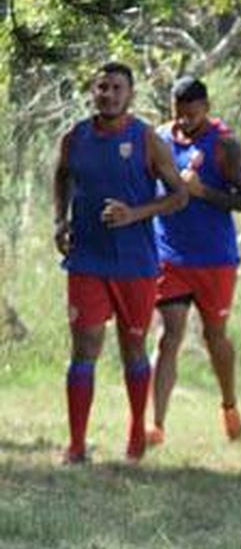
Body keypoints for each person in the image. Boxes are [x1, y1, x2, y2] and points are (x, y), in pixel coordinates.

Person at [53, 62, 188, 462]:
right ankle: (76, 445)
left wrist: (136, 213)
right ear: (92, 92)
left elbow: (179, 195)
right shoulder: (75, 137)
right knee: (85, 347)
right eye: (101, 87)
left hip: (135, 264)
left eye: (116, 88)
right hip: (87, 261)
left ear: (130, 94)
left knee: (133, 346)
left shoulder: (145, 139)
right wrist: (60, 220)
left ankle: (135, 433)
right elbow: (61, 175)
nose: (107, 94)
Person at [147, 76, 241, 448]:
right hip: (170, 255)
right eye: (178, 115)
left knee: (215, 337)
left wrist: (203, 192)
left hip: (214, 259)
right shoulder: (159, 138)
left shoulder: (225, 145)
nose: (184, 122)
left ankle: (229, 404)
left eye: (191, 115)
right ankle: (156, 425)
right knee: (168, 336)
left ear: (206, 109)